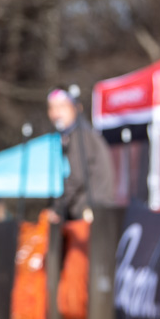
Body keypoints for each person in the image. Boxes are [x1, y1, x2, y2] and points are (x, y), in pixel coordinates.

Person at [45, 86, 114, 224]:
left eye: (62, 106)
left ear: (76, 108)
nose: (56, 113)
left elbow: (77, 177)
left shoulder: (81, 137)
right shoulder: (72, 135)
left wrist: (57, 208)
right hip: (89, 209)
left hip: (90, 210)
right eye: (52, 108)